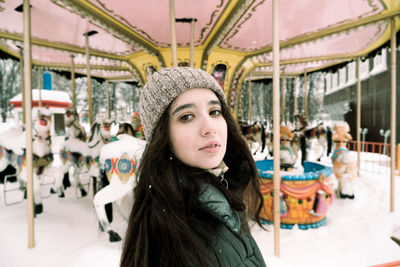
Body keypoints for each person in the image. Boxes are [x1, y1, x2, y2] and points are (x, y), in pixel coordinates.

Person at [120, 67, 266, 267]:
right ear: (163, 136)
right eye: (186, 117)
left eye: (214, 112)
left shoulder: (222, 194)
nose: (209, 127)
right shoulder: (172, 232)